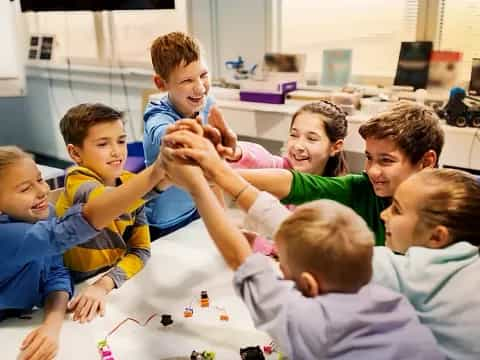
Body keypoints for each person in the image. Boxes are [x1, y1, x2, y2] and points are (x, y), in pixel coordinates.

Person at [159, 128, 444, 360]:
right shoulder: (394, 294)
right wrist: (216, 172)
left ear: (308, 285)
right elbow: (283, 220)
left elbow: (239, 257)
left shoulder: (306, 323)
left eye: (282, 270)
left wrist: (198, 186)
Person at [0, 145, 165, 360]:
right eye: (25, 189)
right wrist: (156, 175)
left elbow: (56, 273)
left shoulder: (45, 213)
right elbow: (77, 226)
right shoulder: (6, 236)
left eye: (40, 180)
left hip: (20, 322)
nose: (42, 191)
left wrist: (52, 324)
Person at [229, 101, 445, 245]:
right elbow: (293, 182)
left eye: (386, 161)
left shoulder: (453, 212)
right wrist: (218, 171)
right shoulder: (361, 188)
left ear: (426, 162)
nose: (371, 170)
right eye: (369, 158)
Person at [56, 103, 168, 324]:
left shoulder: (130, 184)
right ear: (75, 153)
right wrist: (156, 179)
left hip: (109, 283)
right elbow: (107, 203)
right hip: (71, 291)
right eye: (103, 144)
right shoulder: (77, 180)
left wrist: (104, 284)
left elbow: (141, 250)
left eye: (121, 140)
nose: (117, 151)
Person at [372, 168, 480, 359]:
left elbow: (351, 259)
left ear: (437, 237)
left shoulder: (430, 269)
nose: (383, 214)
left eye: (396, 210)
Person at [143, 31, 235, 239]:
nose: (200, 87)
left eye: (203, 75)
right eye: (186, 80)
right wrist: (189, 136)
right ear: (161, 83)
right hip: (164, 221)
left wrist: (226, 225)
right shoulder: (156, 114)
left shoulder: (207, 104)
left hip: (197, 207)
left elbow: (213, 176)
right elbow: (164, 134)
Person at [226, 100, 348, 255]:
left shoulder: (335, 198)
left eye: (311, 139)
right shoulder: (283, 169)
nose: (298, 146)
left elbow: (307, 252)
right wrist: (235, 151)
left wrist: (259, 244)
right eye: (294, 135)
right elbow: (260, 158)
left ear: (335, 147)